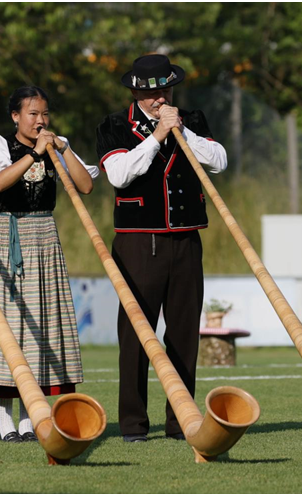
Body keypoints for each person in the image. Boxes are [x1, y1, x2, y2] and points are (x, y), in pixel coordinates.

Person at [95, 54, 227, 442]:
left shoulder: (193, 120)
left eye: (166, 90)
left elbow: (219, 161)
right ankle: (134, 424)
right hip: (139, 242)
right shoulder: (114, 125)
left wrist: (182, 133)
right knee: (137, 336)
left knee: (185, 335)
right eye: (152, 93)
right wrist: (155, 137)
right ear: (135, 92)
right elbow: (119, 175)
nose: (160, 99)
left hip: (187, 239)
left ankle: (180, 421)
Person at [0, 86, 99, 443]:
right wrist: (33, 154)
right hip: (7, 237)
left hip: (44, 237)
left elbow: (86, 185)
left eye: (45, 114)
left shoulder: (57, 144)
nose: (40, 121)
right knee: (6, 328)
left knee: (41, 326)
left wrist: (63, 149)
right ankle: (5, 422)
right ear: (15, 116)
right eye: (32, 114)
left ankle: (31, 420)